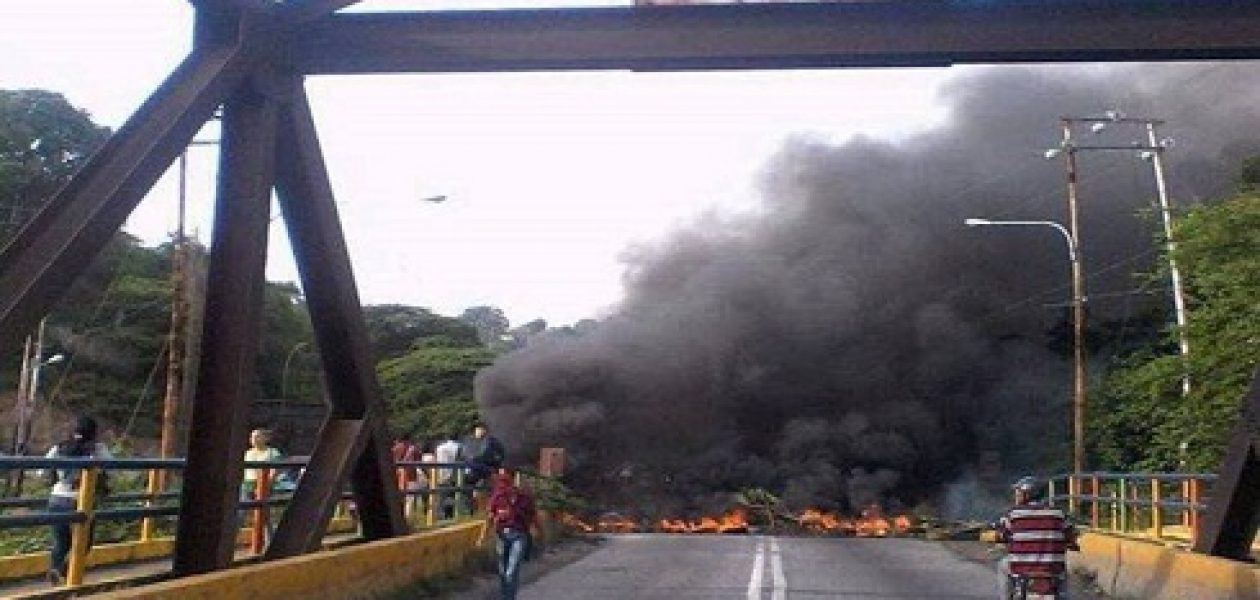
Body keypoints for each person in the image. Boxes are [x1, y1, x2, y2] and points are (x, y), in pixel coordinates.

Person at [44, 416, 113, 585]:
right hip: (81, 500)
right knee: (84, 543)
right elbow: (112, 467)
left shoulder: (59, 447)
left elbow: (41, 469)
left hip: (57, 498)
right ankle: (65, 572)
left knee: (61, 542)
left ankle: (55, 570)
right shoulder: (97, 449)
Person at [996, 477, 1078, 599]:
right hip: (1052, 569)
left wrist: (1002, 537)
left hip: (1021, 569)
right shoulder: (1059, 513)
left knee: (1002, 565)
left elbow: (1003, 535)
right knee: (1062, 574)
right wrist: (1071, 543)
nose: (1016, 496)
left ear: (1027, 494)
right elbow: (1070, 535)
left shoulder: (1013, 514)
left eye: (1019, 492)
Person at [478, 469, 537, 600]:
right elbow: (489, 518)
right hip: (502, 536)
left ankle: (509, 597)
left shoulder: (525, 498)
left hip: (519, 535)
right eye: (500, 479)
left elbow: (534, 517)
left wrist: (538, 533)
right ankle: (506, 595)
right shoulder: (497, 497)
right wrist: (482, 537)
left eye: (505, 479)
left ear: (513, 480)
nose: (502, 483)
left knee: (512, 570)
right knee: (503, 571)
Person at [241, 428, 283, 545]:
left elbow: (275, 470)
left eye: (257, 436)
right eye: (252, 437)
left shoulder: (272, 452)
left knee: (264, 515)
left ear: (265, 438)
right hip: (248, 483)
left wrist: (267, 485)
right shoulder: (247, 453)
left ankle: (270, 541)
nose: (253, 439)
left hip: (264, 484)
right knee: (241, 512)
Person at [462, 422, 506, 513]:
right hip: (474, 469)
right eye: (476, 430)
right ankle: (472, 507)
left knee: (487, 488)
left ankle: (487, 508)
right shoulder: (470, 441)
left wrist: (497, 465)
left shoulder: (491, 441)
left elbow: (501, 454)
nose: (477, 432)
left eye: (479, 429)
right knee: (467, 486)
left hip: (486, 469)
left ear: (484, 430)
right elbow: (464, 454)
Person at [433, 432, 463, 519]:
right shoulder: (458, 446)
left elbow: (435, 460)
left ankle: (439, 515)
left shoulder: (439, 447)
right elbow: (460, 460)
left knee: (441, 496)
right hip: (452, 474)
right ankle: (450, 515)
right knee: (451, 495)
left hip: (439, 473)